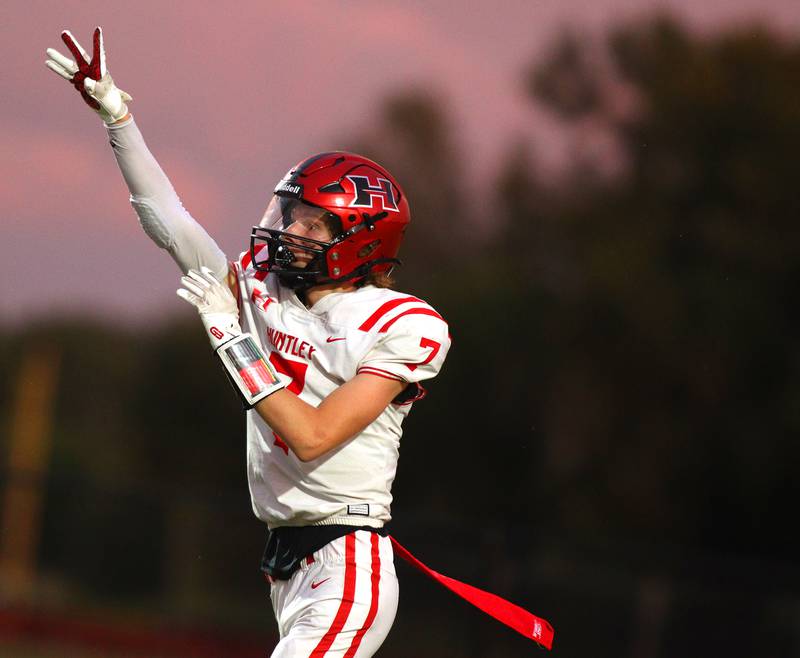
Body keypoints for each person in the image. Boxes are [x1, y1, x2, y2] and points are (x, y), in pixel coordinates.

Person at [46, 27, 450, 657]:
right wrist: (119, 120)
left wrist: (231, 339)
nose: (291, 232)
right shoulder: (267, 290)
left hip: (346, 564)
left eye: (315, 223)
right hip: (288, 565)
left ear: (361, 242)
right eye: (292, 215)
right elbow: (169, 221)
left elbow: (313, 436)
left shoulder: (400, 322)